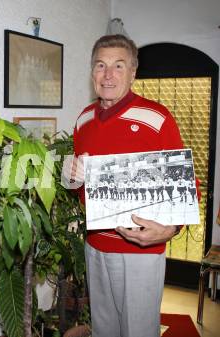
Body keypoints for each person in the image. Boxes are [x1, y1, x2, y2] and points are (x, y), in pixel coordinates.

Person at [70, 34, 188, 337]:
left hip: (140, 251)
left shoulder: (157, 117)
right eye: (101, 65)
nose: (108, 75)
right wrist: (71, 179)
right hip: (94, 246)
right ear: (92, 71)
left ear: (133, 72)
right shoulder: (83, 119)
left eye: (118, 66)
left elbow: (186, 187)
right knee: (103, 329)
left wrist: (171, 230)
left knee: (138, 331)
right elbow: (79, 185)